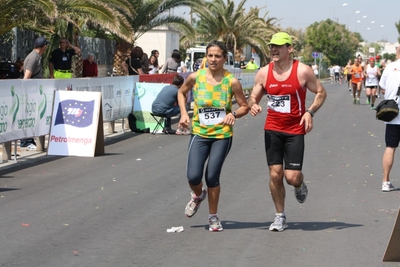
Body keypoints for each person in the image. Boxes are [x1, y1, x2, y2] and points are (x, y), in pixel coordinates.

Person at [248, 32, 327, 232]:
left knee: (292, 177)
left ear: (289, 49)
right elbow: (253, 97)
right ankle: (279, 216)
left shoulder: (303, 71)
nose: (274, 49)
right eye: (272, 46)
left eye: (279, 46)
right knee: (275, 174)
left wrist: (309, 112)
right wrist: (253, 105)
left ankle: (300, 185)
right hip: (272, 129)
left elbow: (321, 92)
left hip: (294, 130)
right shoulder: (264, 73)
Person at [177, 40, 249, 232]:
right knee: (193, 176)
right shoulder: (195, 77)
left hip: (221, 135)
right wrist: (184, 114)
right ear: (206, 57)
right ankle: (198, 196)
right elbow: (181, 93)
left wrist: (233, 114)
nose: (213, 59)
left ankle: (213, 217)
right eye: (210, 55)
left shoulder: (231, 81)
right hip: (199, 133)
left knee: (212, 177)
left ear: (225, 58)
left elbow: (244, 106)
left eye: (218, 56)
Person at [379, 46, 400, 192]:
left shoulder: (390, 67)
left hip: (393, 114)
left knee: (390, 147)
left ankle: (385, 181)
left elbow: (383, 88)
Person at [21, 36, 49, 149]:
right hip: (30, 93)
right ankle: (26, 142)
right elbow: (26, 77)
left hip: (35, 92)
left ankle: (30, 140)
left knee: (33, 117)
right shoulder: (33, 58)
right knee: (28, 117)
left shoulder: (37, 57)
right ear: (44, 47)